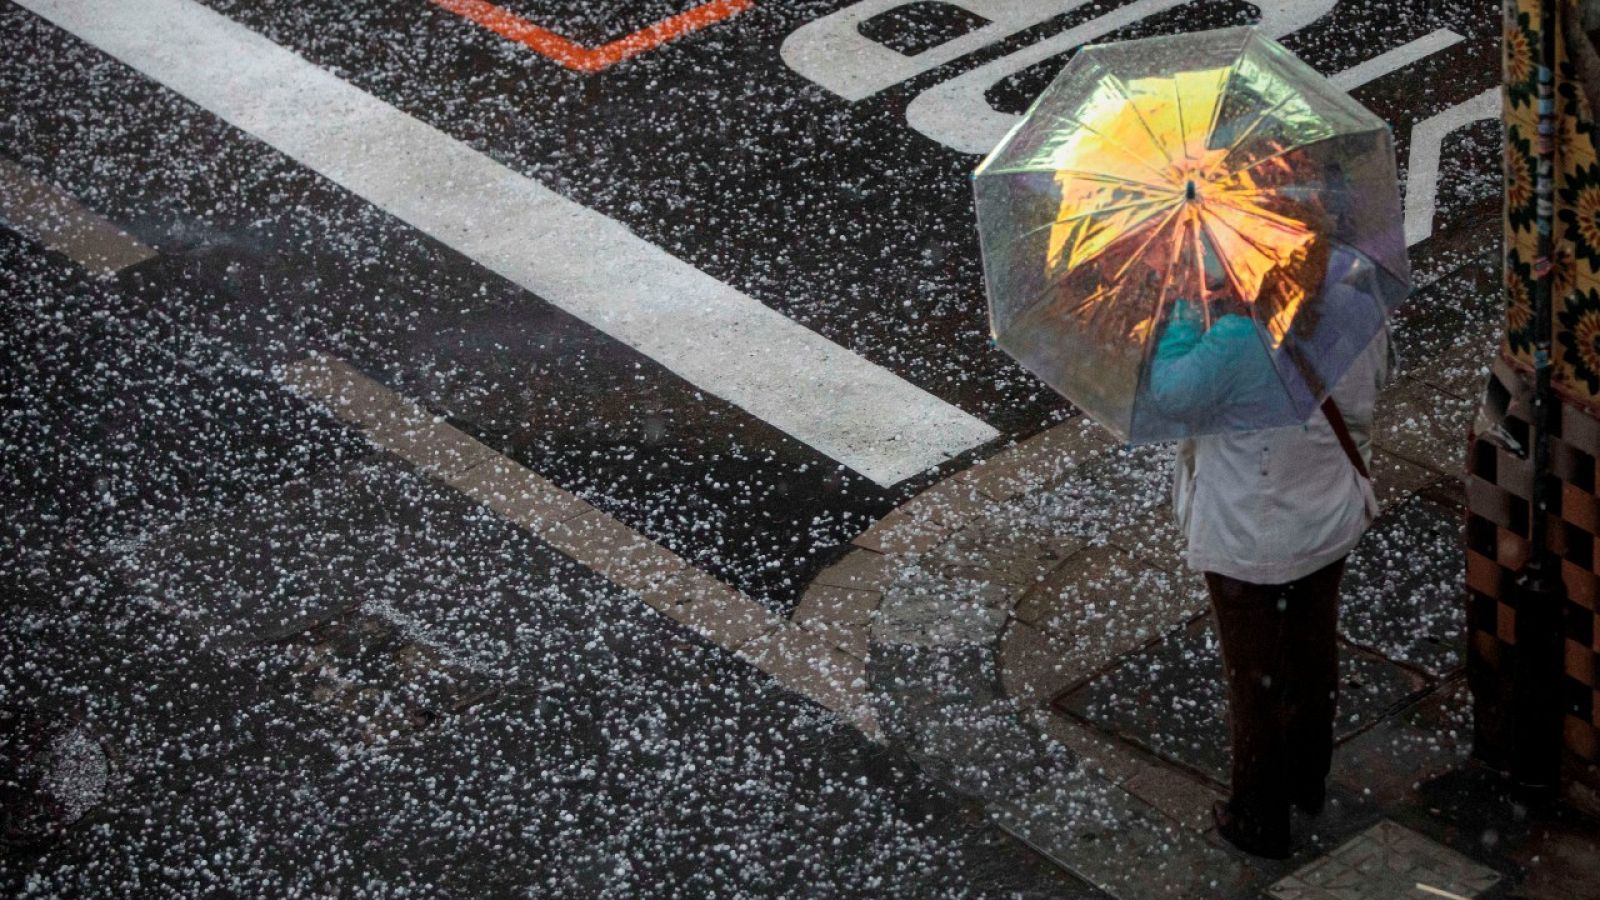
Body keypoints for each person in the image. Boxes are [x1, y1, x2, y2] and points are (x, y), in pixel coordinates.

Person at [1148, 240, 1393, 859]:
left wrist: (1185, 311)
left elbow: (1169, 395)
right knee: (1312, 653)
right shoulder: (1356, 309)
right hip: (1326, 517)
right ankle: (1307, 778)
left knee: (1254, 679)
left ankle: (1259, 816)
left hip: (1247, 537)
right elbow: (1379, 378)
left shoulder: (1237, 339)